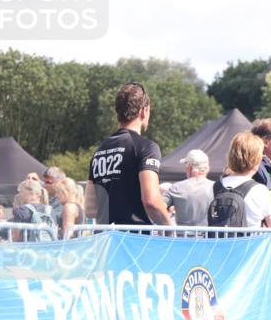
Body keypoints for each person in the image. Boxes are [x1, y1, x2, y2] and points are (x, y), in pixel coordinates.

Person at [86, 82, 173, 226]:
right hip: (134, 240)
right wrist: (170, 229)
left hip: (105, 238)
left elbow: (90, 209)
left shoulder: (99, 151)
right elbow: (151, 201)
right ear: (144, 111)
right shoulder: (147, 147)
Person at [216, 132, 271, 229]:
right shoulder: (260, 190)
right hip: (249, 243)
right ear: (256, 159)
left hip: (219, 243)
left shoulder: (215, 186)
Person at [162, 149, 215, 227]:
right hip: (209, 237)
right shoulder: (217, 187)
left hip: (182, 237)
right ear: (207, 168)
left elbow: (158, 207)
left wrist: (168, 226)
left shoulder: (176, 188)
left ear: (189, 167)